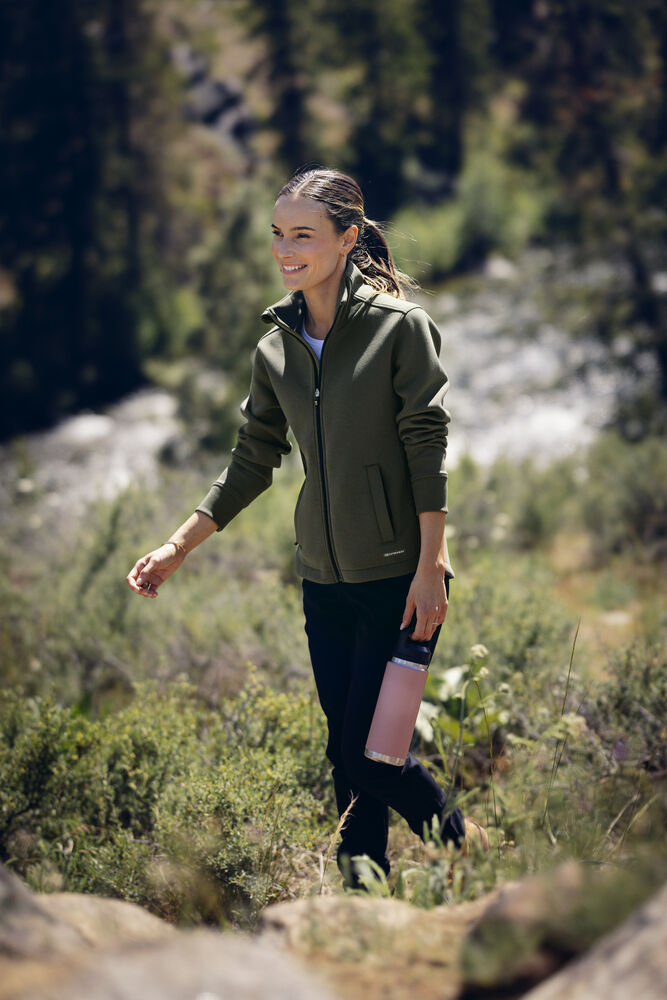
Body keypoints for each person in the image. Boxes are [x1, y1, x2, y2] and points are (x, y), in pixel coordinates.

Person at [127, 167, 485, 888]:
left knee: (370, 754)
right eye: (277, 235)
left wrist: (430, 565)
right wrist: (177, 545)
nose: (285, 251)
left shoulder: (399, 328)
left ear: (348, 238)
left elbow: (427, 444)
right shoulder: (276, 347)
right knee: (344, 753)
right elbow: (252, 458)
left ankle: (466, 843)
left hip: (398, 578)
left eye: (302, 235)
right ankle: (364, 890)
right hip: (322, 579)